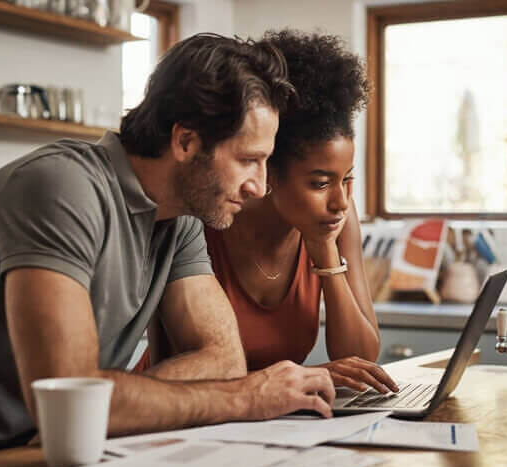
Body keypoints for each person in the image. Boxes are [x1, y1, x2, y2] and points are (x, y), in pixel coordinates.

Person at [0, 33, 336, 461]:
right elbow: (71, 402)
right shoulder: (61, 189)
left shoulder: (180, 217)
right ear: (186, 142)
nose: (259, 187)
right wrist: (245, 398)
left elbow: (223, 360)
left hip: (57, 455)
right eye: (247, 160)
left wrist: (115, 403)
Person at [142, 30, 398, 395]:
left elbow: (361, 359)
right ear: (268, 169)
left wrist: (324, 250)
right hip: (178, 411)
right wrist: (307, 376)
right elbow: (182, 365)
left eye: (348, 179)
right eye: (320, 183)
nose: (341, 201)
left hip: (271, 419)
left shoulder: (336, 220)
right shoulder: (205, 217)